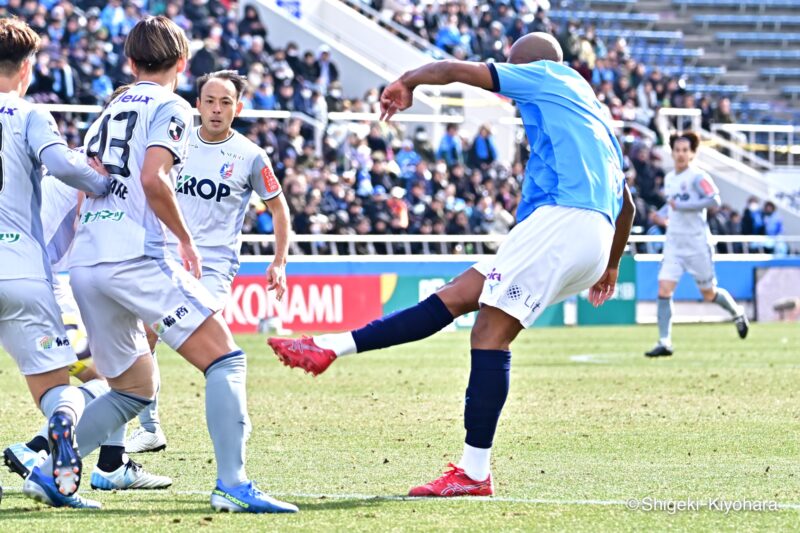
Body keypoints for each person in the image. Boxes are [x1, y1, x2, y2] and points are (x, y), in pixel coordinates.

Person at [269, 32, 636, 497]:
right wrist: (610, 266)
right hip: (590, 233)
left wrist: (408, 82)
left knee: (489, 334)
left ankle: (474, 473)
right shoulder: (593, 116)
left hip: (564, 221)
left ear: (526, 65)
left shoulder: (544, 77)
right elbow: (627, 206)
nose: (507, 82)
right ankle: (328, 348)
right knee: (457, 296)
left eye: (509, 66)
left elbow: (452, 69)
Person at [23, 16, 297, 513]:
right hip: (136, 257)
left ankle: (46, 473)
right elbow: (154, 179)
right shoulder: (170, 105)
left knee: (133, 387)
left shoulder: (109, 110)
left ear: (130, 61)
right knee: (227, 359)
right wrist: (185, 240)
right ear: (183, 63)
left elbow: (90, 178)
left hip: (88, 263)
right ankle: (232, 484)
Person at [4, 86, 171, 492]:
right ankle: (39, 448)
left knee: (123, 370)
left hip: (41, 274)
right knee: (120, 378)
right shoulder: (93, 169)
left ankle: (111, 463)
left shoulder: (87, 160)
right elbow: (92, 220)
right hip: (39, 280)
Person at [126, 70, 291, 452]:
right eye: (210, 101)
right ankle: (150, 429)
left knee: (201, 339)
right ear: (196, 104)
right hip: (165, 258)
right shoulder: (174, 143)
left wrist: (279, 262)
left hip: (213, 268)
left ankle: (232, 419)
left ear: (240, 108)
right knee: (143, 337)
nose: (217, 110)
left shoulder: (250, 156)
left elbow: (279, 209)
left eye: (226, 102)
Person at [0, 17, 110, 509]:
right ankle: (61, 426)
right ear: (28, 67)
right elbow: (64, 166)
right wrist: (101, 183)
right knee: (57, 388)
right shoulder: (29, 114)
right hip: (19, 269)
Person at [645, 132, 748, 357]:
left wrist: (684, 206)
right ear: (671, 152)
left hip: (697, 244)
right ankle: (665, 341)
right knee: (664, 289)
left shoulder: (697, 176)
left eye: (685, 150)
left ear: (692, 153)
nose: (681, 154)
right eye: (677, 150)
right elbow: (673, 206)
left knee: (709, 293)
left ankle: (737, 313)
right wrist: (659, 214)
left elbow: (714, 200)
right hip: (674, 243)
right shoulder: (670, 177)